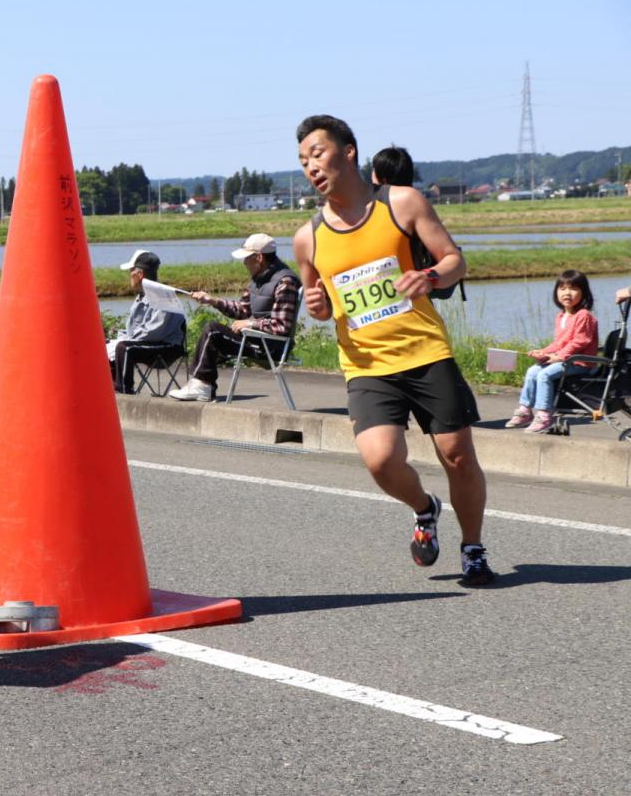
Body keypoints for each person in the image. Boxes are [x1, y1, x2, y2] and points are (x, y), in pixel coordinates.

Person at [293, 114, 495, 586]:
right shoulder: (308, 237)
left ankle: (473, 548)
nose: (311, 167)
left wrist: (426, 277)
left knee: (458, 454)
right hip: (366, 365)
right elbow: (319, 305)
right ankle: (425, 509)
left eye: (318, 154)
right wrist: (317, 306)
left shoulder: (401, 203)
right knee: (380, 460)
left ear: (349, 152)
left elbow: (454, 260)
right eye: (303, 161)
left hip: (424, 352)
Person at [168, 234, 299, 402]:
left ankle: (201, 386)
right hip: (256, 340)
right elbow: (242, 310)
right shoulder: (258, 280)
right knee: (213, 334)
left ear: (259, 257)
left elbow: (282, 327)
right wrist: (213, 301)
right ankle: (201, 385)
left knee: (213, 331)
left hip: (271, 347)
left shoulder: (285, 282)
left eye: (246, 258)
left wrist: (250, 323)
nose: (244, 263)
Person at [505, 270, 598, 433]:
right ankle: (525, 410)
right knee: (533, 371)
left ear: (584, 293)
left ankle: (545, 415)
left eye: (574, 288)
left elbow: (580, 341)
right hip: (566, 360)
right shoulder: (561, 316)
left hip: (580, 362)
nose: (567, 293)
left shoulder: (584, 315)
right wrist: (543, 352)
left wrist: (559, 357)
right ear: (556, 293)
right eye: (562, 288)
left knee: (544, 375)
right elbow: (559, 342)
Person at [106, 250, 186, 394]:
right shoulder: (142, 295)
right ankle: (110, 389)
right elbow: (133, 329)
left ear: (140, 274)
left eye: (131, 271)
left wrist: (125, 340)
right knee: (104, 345)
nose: (129, 275)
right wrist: (119, 338)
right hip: (150, 343)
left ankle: (124, 391)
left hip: (168, 347)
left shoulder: (162, 297)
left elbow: (154, 332)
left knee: (125, 348)